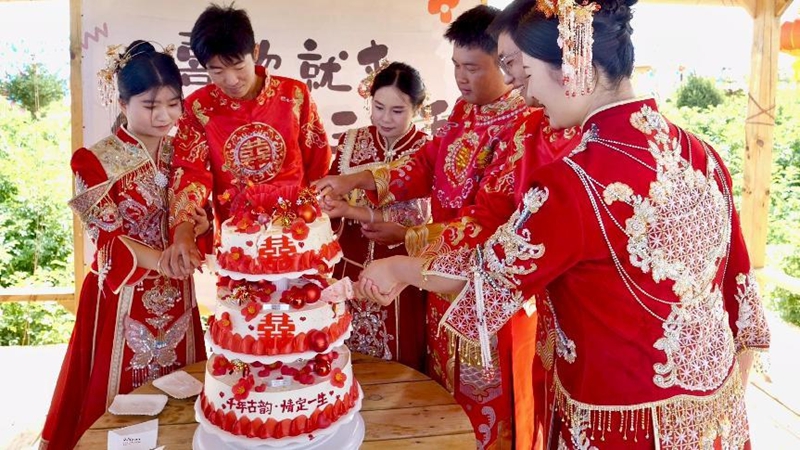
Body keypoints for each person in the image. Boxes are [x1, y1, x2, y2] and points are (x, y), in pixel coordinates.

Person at [357, 0, 771, 448]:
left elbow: (484, 279)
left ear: (574, 67)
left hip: (619, 422)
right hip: (714, 419)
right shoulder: (701, 153)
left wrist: (398, 268)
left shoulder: (574, 180)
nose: (529, 96)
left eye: (529, 74)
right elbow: (740, 291)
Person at [317, 5, 578, 448]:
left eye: (472, 68)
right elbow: (426, 164)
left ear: (505, 62)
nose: (461, 78)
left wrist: (408, 242)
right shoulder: (464, 111)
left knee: (487, 411)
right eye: (456, 65)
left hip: (487, 293)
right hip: (439, 280)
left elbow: (488, 221)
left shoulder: (525, 126)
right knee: (444, 398)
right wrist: (356, 179)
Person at [40, 41, 208, 450]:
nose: (164, 115)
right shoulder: (93, 160)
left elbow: (198, 214)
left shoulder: (184, 154)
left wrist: (201, 227)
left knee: (182, 395)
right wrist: (164, 260)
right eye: (150, 105)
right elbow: (107, 239)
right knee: (117, 403)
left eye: (173, 103)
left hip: (178, 290)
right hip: (122, 297)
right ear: (122, 103)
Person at [163, 4, 331, 277]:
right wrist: (183, 229)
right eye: (217, 71)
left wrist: (319, 216)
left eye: (238, 66)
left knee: (305, 300)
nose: (231, 80)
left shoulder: (294, 95)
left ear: (255, 52)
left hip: (298, 232)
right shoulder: (199, 108)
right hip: (239, 240)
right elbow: (191, 173)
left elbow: (318, 162)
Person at [322, 62, 431, 370]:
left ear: (416, 109)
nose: (385, 118)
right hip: (350, 267)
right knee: (344, 361)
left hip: (401, 274)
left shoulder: (427, 149)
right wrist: (329, 204)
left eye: (397, 111)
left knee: (400, 362)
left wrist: (353, 210)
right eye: (378, 107)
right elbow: (332, 200)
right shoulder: (350, 141)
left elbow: (420, 213)